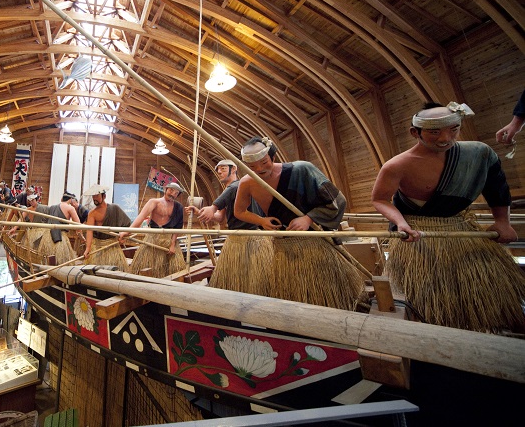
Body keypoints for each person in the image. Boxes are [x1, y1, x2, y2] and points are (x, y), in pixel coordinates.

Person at [372, 101, 524, 332]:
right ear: (416, 132)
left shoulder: (478, 154)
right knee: (424, 298)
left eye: (454, 129)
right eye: (435, 132)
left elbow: (497, 187)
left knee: (481, 295)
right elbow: (380, 199)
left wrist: (503, 221)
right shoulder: (397, 165)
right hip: (418, 237)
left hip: (462, 230)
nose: (446, 138)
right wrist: (401, 222)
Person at [234, 137, 363, 309]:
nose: (259, 169)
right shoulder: (247, 182)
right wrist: (261, 220)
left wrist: (309, 218)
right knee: (291, 300)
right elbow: (239, 211)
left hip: (315, 247)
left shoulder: (302, 170)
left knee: (328, 297)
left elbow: (337, 200)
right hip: (283, 250)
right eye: (251, 167)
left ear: (272, 156)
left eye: (264, 162)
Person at [187, 159, 270, 293]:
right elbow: (220, 218)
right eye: (218, 170)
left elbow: (219, 204)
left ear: (234, 169)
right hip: (236, 239)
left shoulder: (239, 185)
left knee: (252, 278)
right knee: (236, 278)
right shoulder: (229, 191)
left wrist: (212, 207)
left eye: (223, 169)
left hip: (250, 238)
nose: (219, 172)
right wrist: (200, 212)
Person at [123, 182, 186, 278]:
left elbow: (178, 227)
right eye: (171, 190)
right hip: (152, 240)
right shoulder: (154, 202)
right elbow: (141, 217)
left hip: (169, 241)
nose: (173, 194)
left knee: (176, 271)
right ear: (166, 189)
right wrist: (127, 232)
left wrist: (172, 244)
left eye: (176, 193)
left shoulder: (178, 207)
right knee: (143, 268)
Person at [81, 184, 131, 270]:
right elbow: (89, 231)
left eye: (97, 196)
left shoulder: (115, 208)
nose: (94, 198)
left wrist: (123, 236)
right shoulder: (92, 213)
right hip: (98, 247)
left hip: (112, 247)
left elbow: (127, 223)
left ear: (104, 196)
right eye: (93, 196)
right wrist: (88, 248)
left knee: (117, 272)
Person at [36, 192, 81, 265]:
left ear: (61, 199)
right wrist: (80, 234)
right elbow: (77, 223)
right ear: (70, 200)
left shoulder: (52, 207)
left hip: (47, 237)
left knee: (46, 260)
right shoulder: (70, 208)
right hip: (60, 238)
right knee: (61, 262)